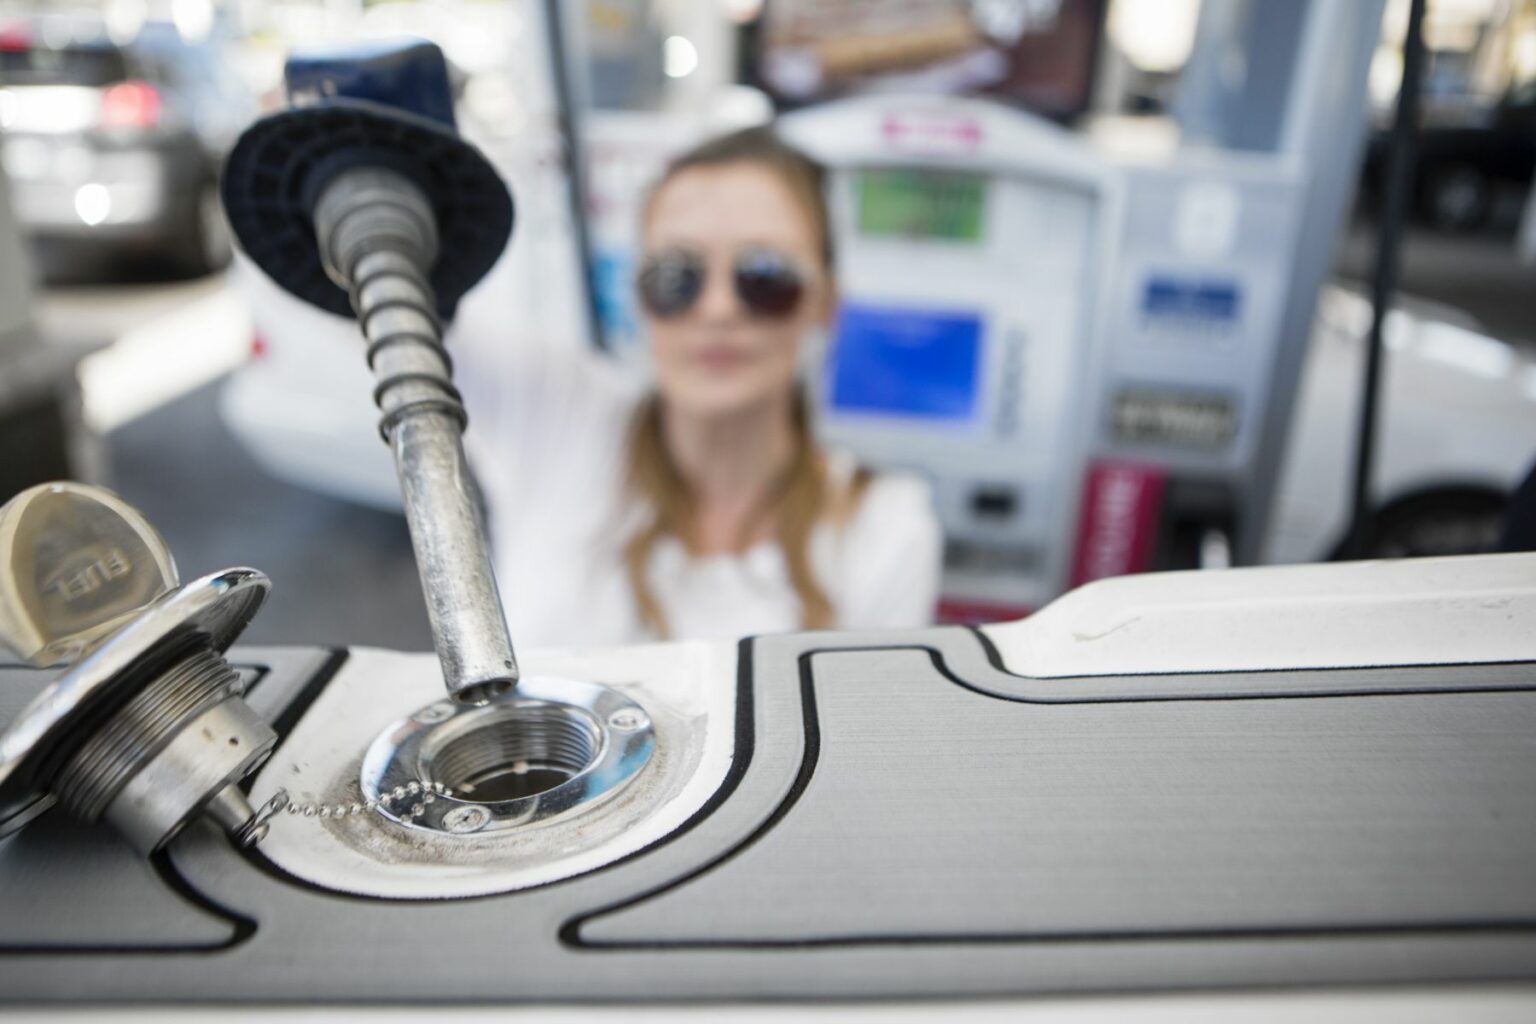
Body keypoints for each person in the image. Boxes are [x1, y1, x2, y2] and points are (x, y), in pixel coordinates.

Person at [460, 126, 942, 649]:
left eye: (764, 275)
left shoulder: (884, 529)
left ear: (826, 303)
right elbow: (385, 316)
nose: (717, 308)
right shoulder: (558, 415)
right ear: (639, 295)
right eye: (676, 274)